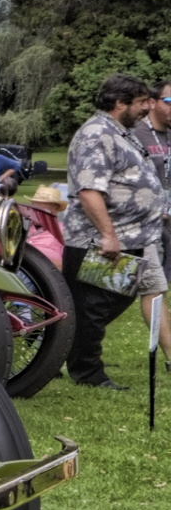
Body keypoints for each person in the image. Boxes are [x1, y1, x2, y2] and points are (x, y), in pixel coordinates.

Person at [61, 73, 165, 389]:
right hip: (99, 240)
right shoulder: (96, 134)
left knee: (111, 301)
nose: (148, 108)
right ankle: (87, 373)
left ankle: (63, 350)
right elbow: (89, 190)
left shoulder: (120, 131)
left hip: (130, 236)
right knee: (91, 308)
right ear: (120, 103)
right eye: (141, 102)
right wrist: (108, 234)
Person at [133, 80, 171, 364]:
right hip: (146, 225)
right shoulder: (136, 134)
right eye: (169, 101)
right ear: (153, 102)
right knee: (153, 287)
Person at [25, 184, 68, 268]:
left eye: (44, 210)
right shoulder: (23, 226)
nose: (39, 214)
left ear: (55, 210)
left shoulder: (63, 231)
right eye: (35, 209)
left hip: (46, 275)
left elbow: (67, 266)